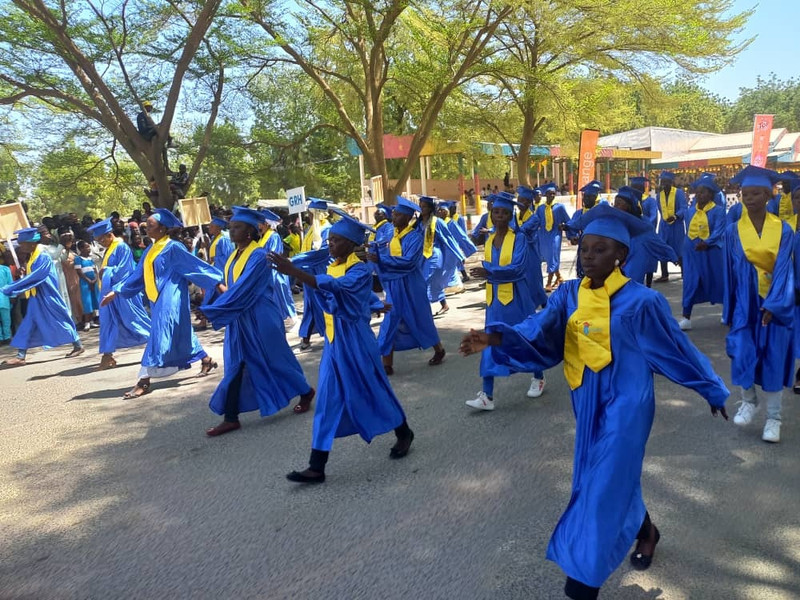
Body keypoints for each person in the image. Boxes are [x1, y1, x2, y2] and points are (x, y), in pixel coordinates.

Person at [459, 203, 730, 600]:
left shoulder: (642, 302)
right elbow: (538, 329)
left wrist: (711, 387)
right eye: (585, 249)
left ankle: (581, 585)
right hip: (585, 397)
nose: (588, 257)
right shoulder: (568, 294)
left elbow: (677, 350)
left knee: (600, 485)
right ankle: (647, 531)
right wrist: (495, 337)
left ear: (622, 255)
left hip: (628, 402)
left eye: (601, 250)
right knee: (609, 475)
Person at [270, 212, 415, 483]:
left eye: (336, 240)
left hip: (357, 342)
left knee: (375, 390)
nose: (331, 244)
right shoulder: (332, 265)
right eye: (329, 240)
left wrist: (296, 272)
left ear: (350, 243)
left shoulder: (360, 269)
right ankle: (317, 465)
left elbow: (342, 288)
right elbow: (346, 293)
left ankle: (404, 432)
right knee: (326, 400)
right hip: (334, 343)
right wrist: (373, 304)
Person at [197, 208, 316, 436]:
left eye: (237, 227)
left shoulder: (259, 256)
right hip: (240, 316)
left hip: (261, 317)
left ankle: (305, 391)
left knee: (275, 360)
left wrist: (215, 310)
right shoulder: (234, 255)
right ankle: (231, 417)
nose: (232, 230)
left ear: (251, 232)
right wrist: (212, 304)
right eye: (231, 227)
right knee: (236, 364)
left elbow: (244, 288)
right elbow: (228, 285)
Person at [100, 209, 223, 398]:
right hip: (156, 298)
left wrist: (218, 284)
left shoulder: (174, 247)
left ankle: (143, 381)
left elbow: (195, 267)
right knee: (180, 332)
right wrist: (116, 291)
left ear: (163, 228)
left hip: (172, 297)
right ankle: (205, 359)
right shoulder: (151, 248)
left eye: (150, 225)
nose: (145, 229)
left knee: (158, 334)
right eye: (145, 225)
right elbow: (137, 275)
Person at [724, 166, 794, 444]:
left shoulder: (784, 229)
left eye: (755, 193)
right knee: (742, 350)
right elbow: (730, 272)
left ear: (767, 195)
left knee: (773, 358)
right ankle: (748, 400)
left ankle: (774, 419)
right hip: (745, 301)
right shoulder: (733, 231)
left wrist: (774, 305)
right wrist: (730, 307)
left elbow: (785, 271)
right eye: (745, 193)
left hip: (776, 303)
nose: (749, 198)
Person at [465, 195, 546, 411]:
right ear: (491, 215)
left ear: (510, 216)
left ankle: (538, 376)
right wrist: (485, 270)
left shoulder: (518, 238)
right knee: (489, 343)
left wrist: (489, 270)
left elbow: (518, 268)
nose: (499, 216)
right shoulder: (490, 239)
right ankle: (487, 395)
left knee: (523, 339)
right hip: (494, 300)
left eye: (504, 213)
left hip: (515, 297)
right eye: (496, 213)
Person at [369, 196, 447, 374]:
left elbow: (409, 262)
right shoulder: (391, 235)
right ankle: (386, 363)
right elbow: (382, 254)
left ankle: (439, 350)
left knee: (421, 318)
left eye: (396, 215)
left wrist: (383, 259)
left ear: (406, 218)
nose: (393, 218)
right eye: (394, 215)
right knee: (390, 320)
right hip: (394, 286)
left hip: (412, 285)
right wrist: (375, 254)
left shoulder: (415, 238)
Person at [1, 228, 84, 366]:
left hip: (48, 295)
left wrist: (12, 287)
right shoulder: (34, 254)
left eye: (22, 244)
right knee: (28, 324)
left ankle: (78, 344)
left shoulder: (42, 256)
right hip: (37, 297)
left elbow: (37, 277)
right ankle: (21, 356)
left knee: (61, 319)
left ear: (31, 243)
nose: (21, 247)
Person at [88, 218, 151, 370]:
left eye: (101, 239)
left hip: (122, 293)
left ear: (109, 234)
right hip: (109, 292)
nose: (100, 243)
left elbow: (124, 271)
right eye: (97, 240)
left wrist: (107, 271)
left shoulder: (121, 247)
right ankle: (107, 355)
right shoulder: (110, 248)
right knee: (108, 322)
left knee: (135, 320)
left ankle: (162, 340)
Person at [678, 175, 725, 331]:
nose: (699, 195)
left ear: (711, 194)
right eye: (697, 192)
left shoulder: (718, 211)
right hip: (692, 252)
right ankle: (686, 317)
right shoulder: (690, 211)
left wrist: (707, 242)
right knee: (690, 282)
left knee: (718, 281)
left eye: (703, 192)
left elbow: (719, 230)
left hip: (711, 253)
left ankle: (727, 311)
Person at [612, 187, 677, 285]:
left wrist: (672, 256)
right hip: (616, 263)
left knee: (631, 288)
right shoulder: (613, 222)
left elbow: (656, 242)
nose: (615, 207)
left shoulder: (642, 224)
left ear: (629, 206)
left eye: (619, 203)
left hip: (635, 262)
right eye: (615, 203)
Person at [417, 195, 465, 315]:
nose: (422, 209)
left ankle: (423, 311)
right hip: (422, 256)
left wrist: (459, 255)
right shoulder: (418, 223)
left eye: (424, 207)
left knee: (425, 281)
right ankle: (445, 305)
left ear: (430, 208)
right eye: (420, 206)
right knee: (433, 282)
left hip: (434, 255)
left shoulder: (437, 222)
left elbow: (449, 240)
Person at [257, 208, 297, 325]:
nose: (258, 224)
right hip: (267, 271)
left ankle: (292, 317)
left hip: (275, 271)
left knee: (282, 294)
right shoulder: (262, 237)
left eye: (260, 222)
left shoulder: (273, 236)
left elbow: (272, 253)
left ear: (266, 224)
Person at [535, 182, 570, 291]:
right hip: (543, 236)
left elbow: (568, 221)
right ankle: (559, 277)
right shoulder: (540, 208)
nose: (552, 196)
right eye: (550, 194)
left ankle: (549, 282)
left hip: (555, 235)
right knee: (547, 257)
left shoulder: (560, 207)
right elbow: (535, 222)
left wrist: (564, 226)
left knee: (553, 257)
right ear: (546, 195)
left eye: (554, 194)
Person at [654, 171, 686, 282]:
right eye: (663, 182)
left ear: (671, 183)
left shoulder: (679, 193)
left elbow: (683, 208)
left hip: (676, 226)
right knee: (663, 247)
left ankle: (684, 273)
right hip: (664, 226)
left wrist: (676, 216)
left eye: (667, 182)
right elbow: (660, 209)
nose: (664, 184)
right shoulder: (659, 195)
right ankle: (664, 274)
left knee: (679, 248)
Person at [630, 176, 659, 287]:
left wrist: (643, 225)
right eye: (634, 187)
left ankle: (648, 285)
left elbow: (653, 216)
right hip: (633, 236)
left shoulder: (650, 201)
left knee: (649, 262)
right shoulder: (630, 201)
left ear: (643, 189)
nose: (636, 190)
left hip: (647, 235)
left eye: (638, 187)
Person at [74, 240, 99, 331]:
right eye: (86, 247)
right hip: (85, 283)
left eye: (89, 247)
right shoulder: (78, 259)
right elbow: (79, 272)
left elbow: (95, 271)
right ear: (81, 249)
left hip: (93, 282)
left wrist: (95, 279)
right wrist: (88, 281)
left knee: (94, 300)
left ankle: (92, 320)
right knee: (87, 301)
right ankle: (87, 322)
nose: (89, 249)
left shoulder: (90, 259)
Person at [0, 257, 11, 344]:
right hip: (4, 296)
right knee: (6, 319)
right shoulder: (5, 269)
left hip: (4, 296)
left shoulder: (5, 269)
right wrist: (13, 296)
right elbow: (10, 284)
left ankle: (0, 338)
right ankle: (7, 337)